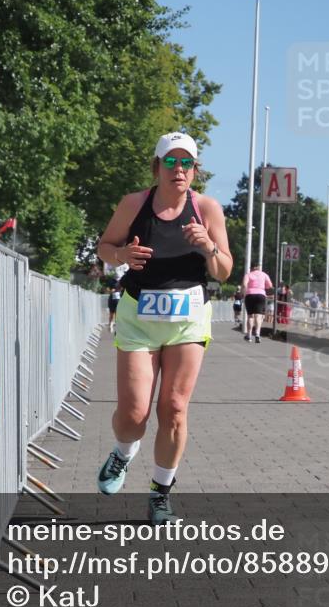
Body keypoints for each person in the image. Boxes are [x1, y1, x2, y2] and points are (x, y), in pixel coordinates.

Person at [95, 132, 232, 524]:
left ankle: (160, 492)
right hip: (139, 317)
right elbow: (104, 247)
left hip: (188, 318)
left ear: (195, 170)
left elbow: (223, 270)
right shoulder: (134, 204)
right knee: (134, 414)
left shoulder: (206, 208)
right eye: (170, 162)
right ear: (157, 167)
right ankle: (122, 453)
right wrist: (121, 255)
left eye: (186, 163)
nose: (179, 170)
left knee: (173, 408)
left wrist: (208, 247)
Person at [242, 263, 273, 342]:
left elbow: (244, 285)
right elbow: (270, 285)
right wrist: (263, 287)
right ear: (258, 267)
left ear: (251, 268)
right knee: (258, 316)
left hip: (250, 295)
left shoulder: (248, 275)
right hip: (261, 295)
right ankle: (257, 335)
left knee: (250, 316)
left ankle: (249, 335)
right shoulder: (264, 275)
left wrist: (244, 293)